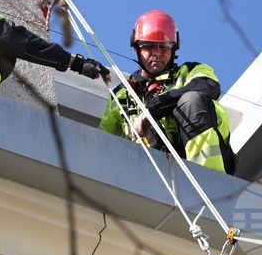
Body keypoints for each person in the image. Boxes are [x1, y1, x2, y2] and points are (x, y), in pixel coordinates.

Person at [99, 10, 236, 174]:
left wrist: (154, 109)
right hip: (152, 171)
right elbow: (102, 141)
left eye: (164, 46)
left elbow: (209, 86)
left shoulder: (191, 71)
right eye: (148, 46)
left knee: (192, 100)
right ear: (136, 49)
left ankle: (208, 176)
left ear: (174, 49)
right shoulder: (123, 94)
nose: (156, 53)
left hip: (202, 163)